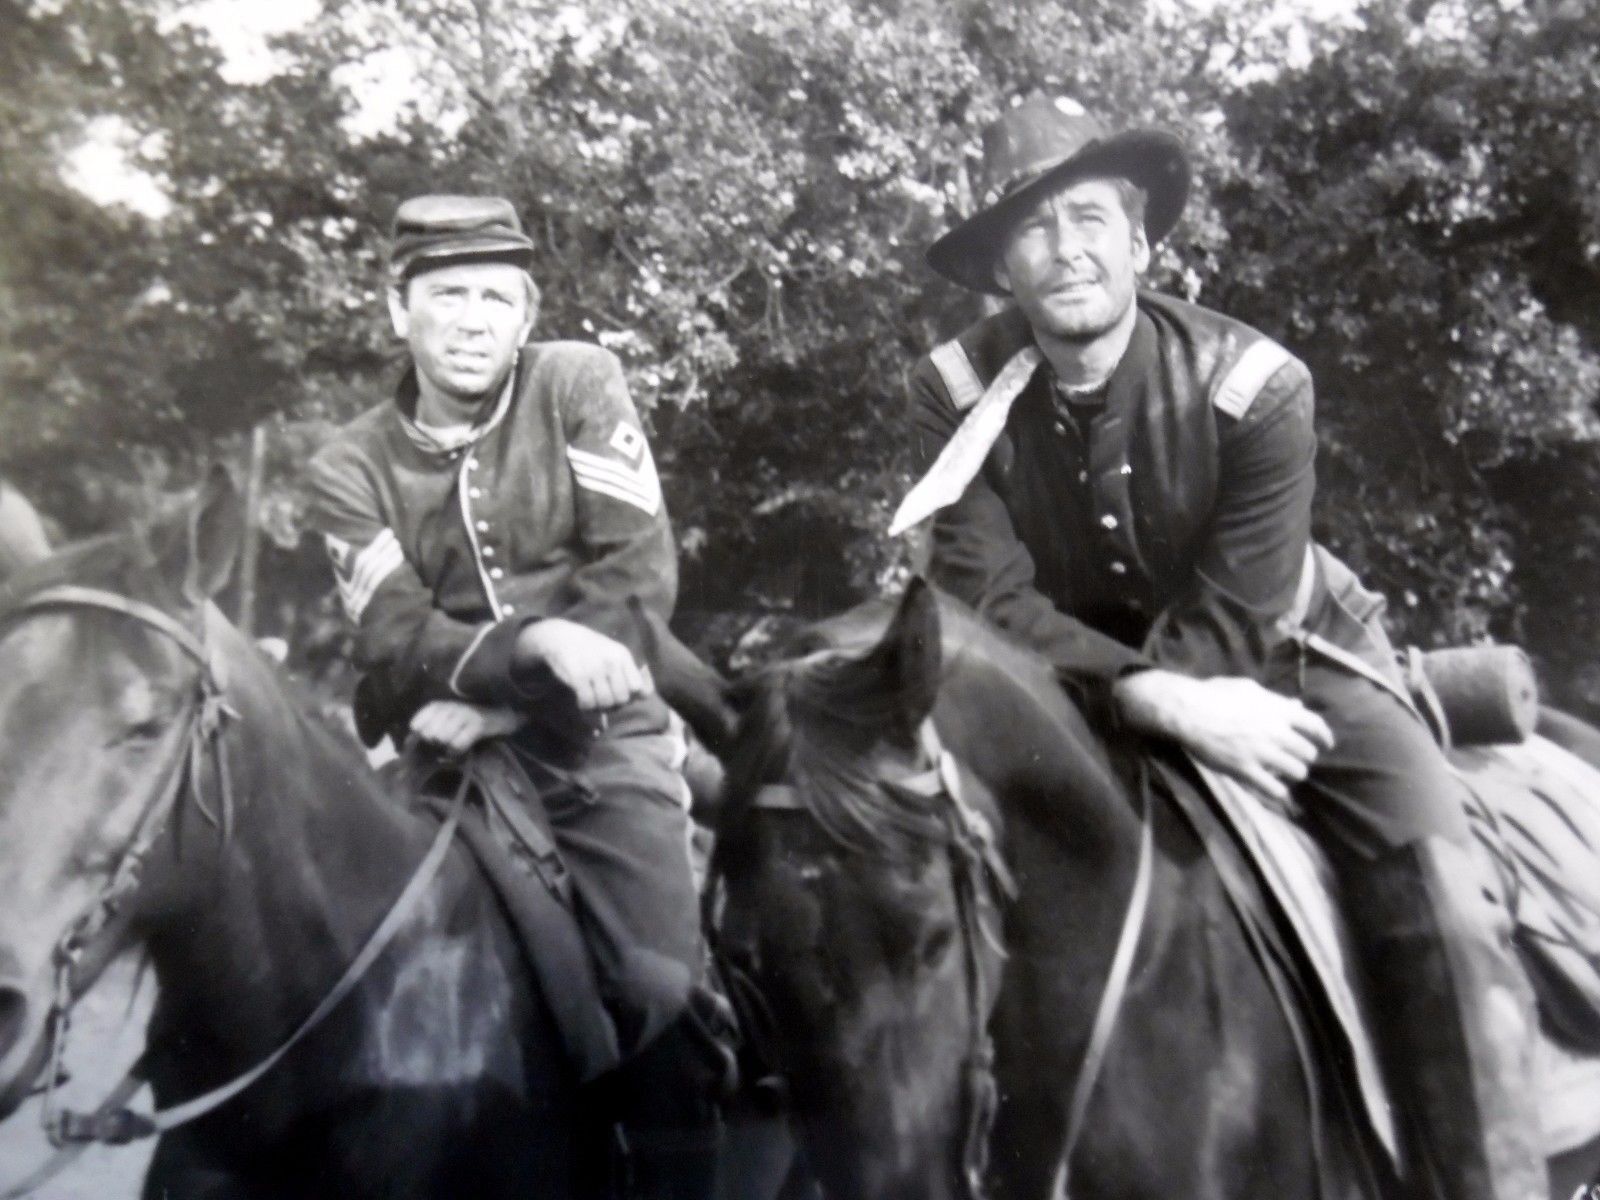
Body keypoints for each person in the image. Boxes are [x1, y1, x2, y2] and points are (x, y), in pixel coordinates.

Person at [893, 96, 1543, 1200]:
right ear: (1002, 268)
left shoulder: (1258, 387)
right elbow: (981, 598)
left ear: (1141, 243)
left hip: (1290, 662)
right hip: (1051, 697)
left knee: (1432, 876)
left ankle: (1491, 1182)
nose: (1065, 252)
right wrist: (1150, 699)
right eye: (1033, 230)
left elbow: (1237, 615)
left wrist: (1178, 691)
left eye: (1089, 219)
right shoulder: (947, 396)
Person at [306, 194, 718, 1198]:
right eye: (447, 294)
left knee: (660, 992)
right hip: (443, 752)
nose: (474, 318)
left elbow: (634, 581)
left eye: (497, 296)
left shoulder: (579, 383)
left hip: (601, 740)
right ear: (398, 311)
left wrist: (508, 700)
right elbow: (393, 633)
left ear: (527, 316)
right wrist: (534, 640)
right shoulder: (346, 462)